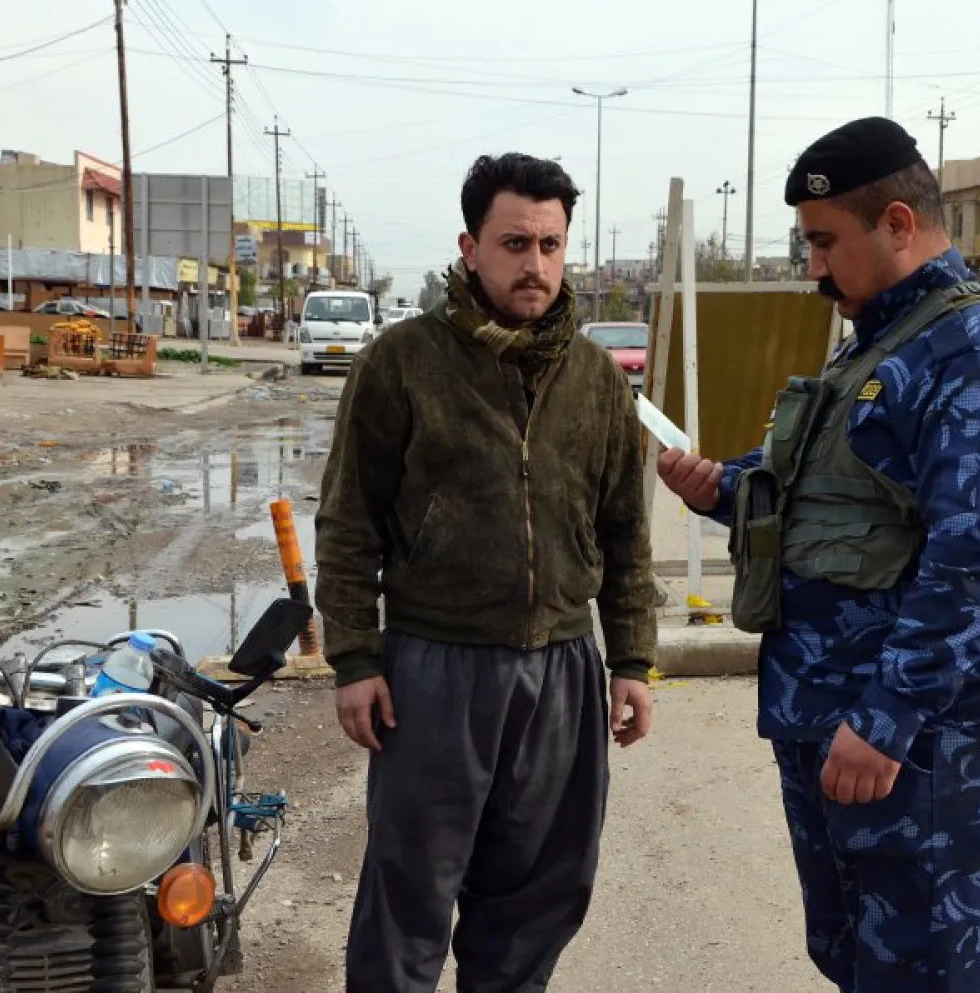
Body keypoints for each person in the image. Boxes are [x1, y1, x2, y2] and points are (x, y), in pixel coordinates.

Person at [657, 116, 980, 992]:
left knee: (922, 968)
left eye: (823, 242)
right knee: (856, 957)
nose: (813, 266)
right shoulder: (878, 344)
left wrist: (886, 718)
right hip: (833, 712)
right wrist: (724, 489)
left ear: (897, 224)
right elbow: (831, 497)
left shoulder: (979, 354)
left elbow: (975, 557)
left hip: (923, 736)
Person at [313, 151, 658, 993]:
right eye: (514, 242)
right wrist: (356, 658)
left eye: (550, 243)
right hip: (438, 665)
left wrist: (635, 660)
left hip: (564, 670)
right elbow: (349, 518)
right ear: (470, 248)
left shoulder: (595, 381)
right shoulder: (401, 363)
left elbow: (624, 529)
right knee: (412, 888)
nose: (534, 264)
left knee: (542, 888)